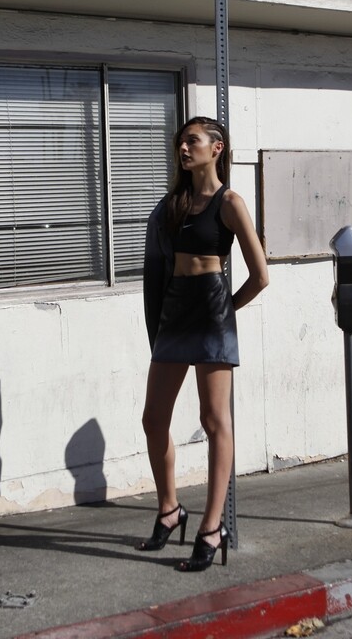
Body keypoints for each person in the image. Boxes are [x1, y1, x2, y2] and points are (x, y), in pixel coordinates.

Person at [137, 116, 269, 572]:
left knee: (214, 421)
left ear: (216, 148)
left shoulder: (229, 202)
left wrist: (226, 310)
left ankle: (212, 528)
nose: (183, 148)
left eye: (191, 141)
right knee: (154, 419)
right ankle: (169, 510)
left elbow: (261, 275)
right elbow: (157, 265)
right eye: (180, 142)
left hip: (211, 311)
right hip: (175, 311)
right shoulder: (172, 204)